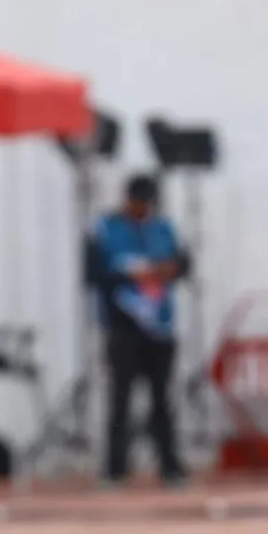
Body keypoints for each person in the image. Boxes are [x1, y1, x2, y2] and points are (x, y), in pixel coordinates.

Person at [94, 173, 189, 487]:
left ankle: (170, 467)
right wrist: (136, 273)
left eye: (148, 203)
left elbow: (183, 263)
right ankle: (115, 470)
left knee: (163, 400)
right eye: (139, 202)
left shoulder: (163, 228)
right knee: (120, 400)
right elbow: (97, 271)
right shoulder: (107, 228)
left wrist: (168, 269)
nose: (144, 209)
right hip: (123, 327)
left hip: (159, 327)